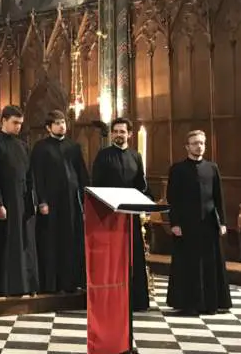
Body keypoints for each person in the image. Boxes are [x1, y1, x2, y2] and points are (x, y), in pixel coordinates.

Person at [166, 130, 232, 315]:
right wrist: (174, 223)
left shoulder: (212, 168)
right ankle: (189, 303)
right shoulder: (177, 169)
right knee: (189, 265)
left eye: (202, 143)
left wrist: (223, 222)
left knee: (210, 265)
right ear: (187, 146)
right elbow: (173, 199)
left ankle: (212, 303)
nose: (199, 146)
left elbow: (219, 197)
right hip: (186, 225)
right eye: (195, 143)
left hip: (209, 224)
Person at [91, 117, 151, 311]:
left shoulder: (135, 156)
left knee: (133, 255)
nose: (118, 135)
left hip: (130, 214)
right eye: (115, 131)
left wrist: (146, 199)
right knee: (112, 257)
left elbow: (141, 184)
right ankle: (110, 298)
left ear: (130, 134)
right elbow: (96, 184)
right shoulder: (103, 155)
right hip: (109, 215)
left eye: (122, 132)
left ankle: (136, 299)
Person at [30, 109, 89, 293]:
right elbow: (37, 177)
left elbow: (82, 175)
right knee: (51, 241)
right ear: (48, 127)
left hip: (71, 203)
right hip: (51, 203)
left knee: (71, 241)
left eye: (63, 122)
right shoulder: (40, 148)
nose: (61, 125)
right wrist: (42, 202)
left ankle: (70, 282)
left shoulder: (74, 146)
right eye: (57, 123)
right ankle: (51, 284)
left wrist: (86, 199)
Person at [0, 105, 39, 297]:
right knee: (7, 243)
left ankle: (24, 284)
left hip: (22, 200)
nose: (18, 127)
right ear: (3, 121)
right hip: (6, 200)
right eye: (15, 123)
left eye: (20, 124)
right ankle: (5, 286)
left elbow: (29, 174)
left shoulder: (23, 145)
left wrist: (32, 199)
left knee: (24, 243)